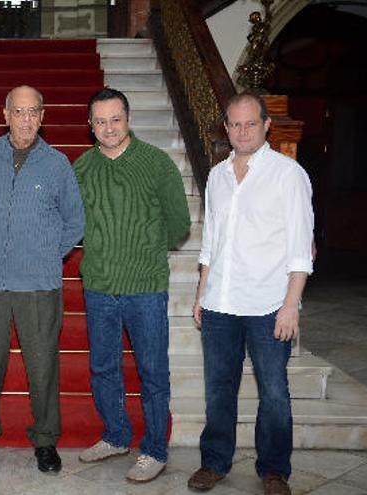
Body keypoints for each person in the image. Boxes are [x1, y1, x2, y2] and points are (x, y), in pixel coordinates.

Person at [187, 92, 313, 495]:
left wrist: (291, 305)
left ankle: (274, 470)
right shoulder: (217, 176)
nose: (242, 131)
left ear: (266, 126)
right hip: (221, 302)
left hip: (268, 305)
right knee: (218, 388)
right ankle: (214, 462)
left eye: (250, 124)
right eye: (235, 124)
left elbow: (300, 248)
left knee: (274, 392)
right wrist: (201, 293)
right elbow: (211, 242)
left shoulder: (288, 175)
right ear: (226, 128)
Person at [0, 85, 84, 474]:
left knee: (42, 364)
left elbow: (74, 221)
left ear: (42, 116)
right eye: (19, 112)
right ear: (6, 114)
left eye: (33, 112)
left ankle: (45, 441)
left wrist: (46, 253)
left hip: (38, 284)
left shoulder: (57, 164)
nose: (26, 120)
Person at [73, 88, 191, 482]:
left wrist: (145, 251)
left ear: (129, 118)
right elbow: (73, 222)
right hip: (100, 286)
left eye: (115, 119)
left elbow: (179, 224)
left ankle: (155, 448)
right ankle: (116, 435)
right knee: (104, 366)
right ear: (90, 126)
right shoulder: (83, 168)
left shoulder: (156, 164)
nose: (109, 128)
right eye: (100, 121)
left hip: (145, 287)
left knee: (152, 370)